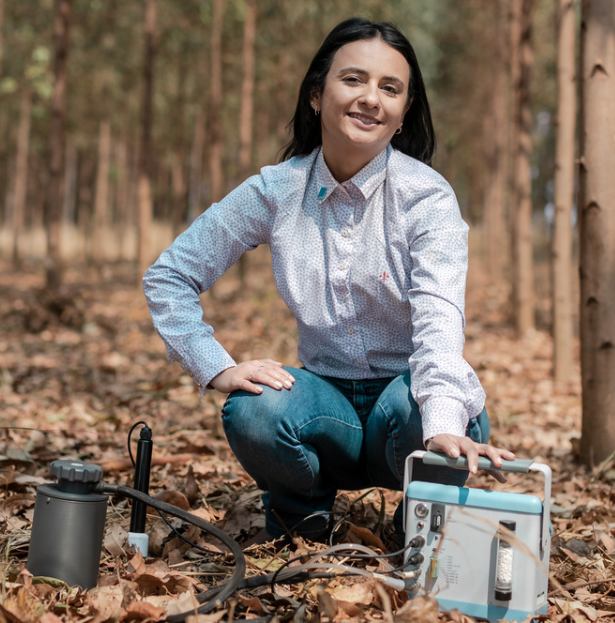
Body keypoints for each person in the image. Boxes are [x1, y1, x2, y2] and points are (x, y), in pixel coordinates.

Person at [143, 17, 514, 544]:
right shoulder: (276, 190)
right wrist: (215, 367)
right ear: (317, 95)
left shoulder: (426, 197)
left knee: (429, 402)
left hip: (405, 413)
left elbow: (439, 321)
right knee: (255, 410)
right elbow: (170, 275)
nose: (371, 99)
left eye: (390, 89)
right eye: (354, 80)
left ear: (404, 112)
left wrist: (446, 424)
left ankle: (426, 533)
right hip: (325, 412)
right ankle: (299, 524)